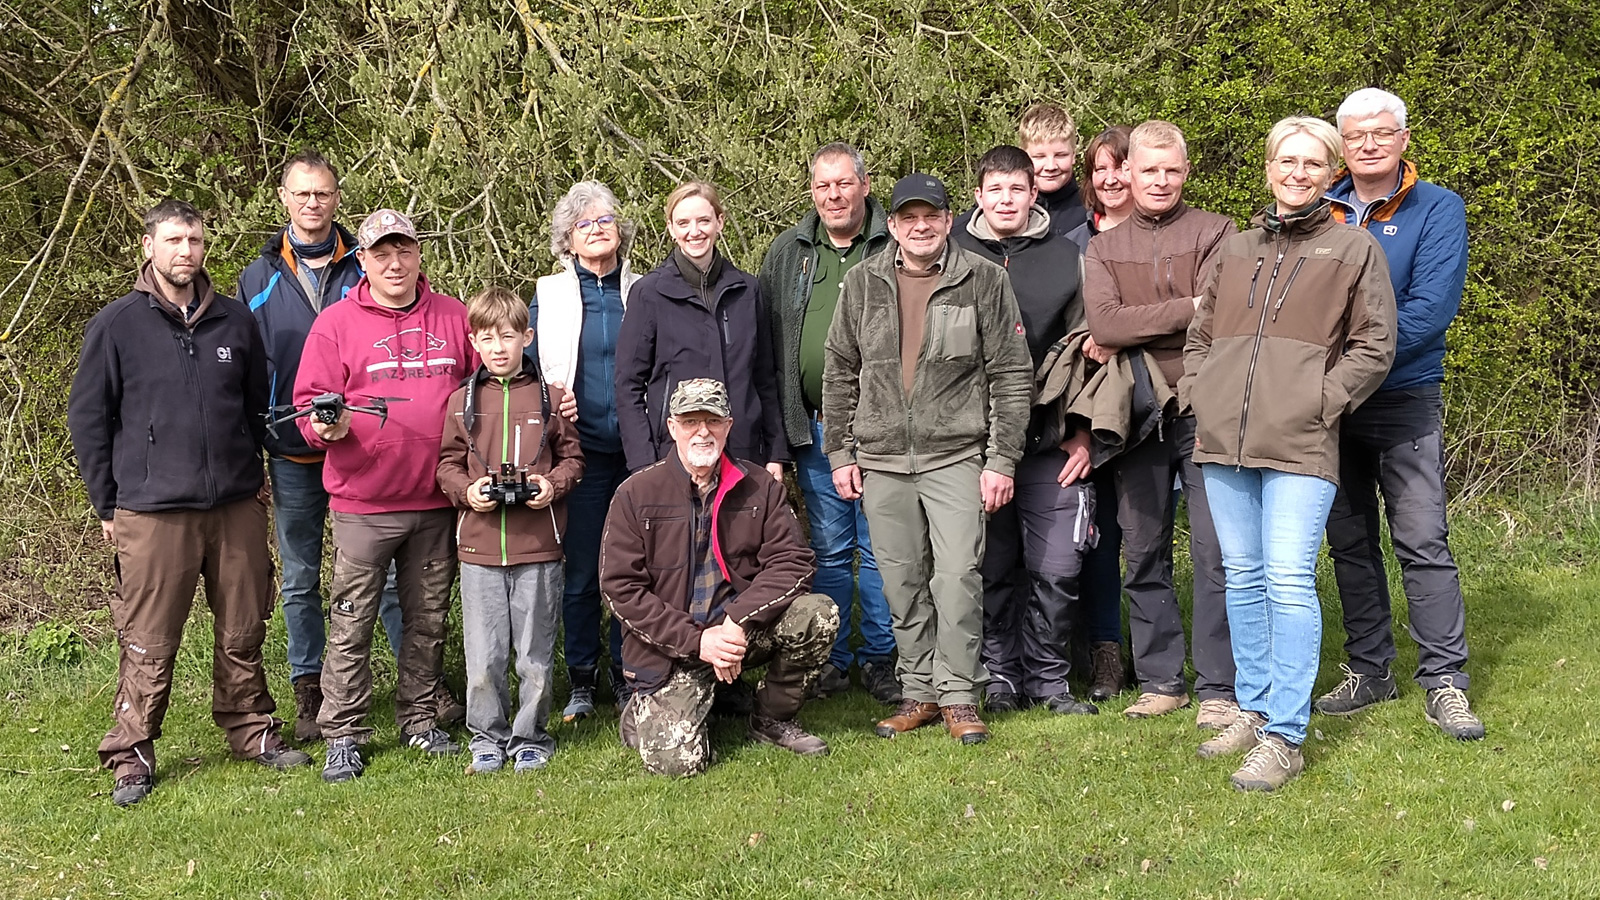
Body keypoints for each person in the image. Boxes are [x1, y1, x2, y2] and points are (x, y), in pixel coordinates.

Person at [67, 199, 311, 807]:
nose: (186, 251)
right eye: (174, 240)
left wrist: (253, 471)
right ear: (148, 246)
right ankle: (132, 750)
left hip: (234, 504)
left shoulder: (233, 320)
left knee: (244, 622)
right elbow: (89, 419)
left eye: (195, 240)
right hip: (151, 510)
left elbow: (256, 404)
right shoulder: (118, 324)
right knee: (148, 634)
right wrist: (107, 505)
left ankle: (251, 729)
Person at [1183, 116, 1396, 790]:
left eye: (1312, 163)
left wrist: (1321, 400)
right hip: (1224, 439)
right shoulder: (1236, 248)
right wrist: (1200, 390)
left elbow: (1375, 345)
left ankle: (1285, 736)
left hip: (1302, 440)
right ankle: (1253, 706)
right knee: (1241, 575)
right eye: (1287, 160)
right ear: (1270, 166)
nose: (1298, 173)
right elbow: (1200, 333)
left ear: (1331, 172)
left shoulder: (1352, 250)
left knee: (1287, 577)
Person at [824, 173, 1034, 745]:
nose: (921, 226)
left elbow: (1012, 374)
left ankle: (961, 694)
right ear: (891, 224)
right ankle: (918, 690)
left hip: (957, 455)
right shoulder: (861, 283)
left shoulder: (984, 280)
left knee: (958, 576)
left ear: (949, 220)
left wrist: (1002, 460)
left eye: (932, 216)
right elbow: (840, 368)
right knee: (900, 580)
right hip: (883, 458)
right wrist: (841, 451)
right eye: (908, 217)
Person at [1316, 88, 1484, 740]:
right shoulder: (1315, 211)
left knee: (1421, 541)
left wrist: (1343, 366)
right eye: (1355, 134)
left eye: (1381, 133)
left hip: (1403, 397)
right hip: (1328, 407)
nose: (1368, 144)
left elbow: (1427, 310)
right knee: (1350, 543)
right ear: (1341, 143)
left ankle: (1445, 682)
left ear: (1404, 139)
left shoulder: (1438, 209)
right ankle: (1370, 670)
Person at [293, 208, 477, 782]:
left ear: (419, 254)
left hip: (436, 499)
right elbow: (308, 405)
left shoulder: (453, 315)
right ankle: (343, 731)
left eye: (404, 251)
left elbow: (488, 387)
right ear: (364, 261)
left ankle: (419, 717)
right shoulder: (336, 323)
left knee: (428, 619)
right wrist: (325, 427)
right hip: (364, 503)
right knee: (352, 620)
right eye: (381, 254)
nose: (394, 264)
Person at [238, 149, 408, 742]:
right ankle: (311, 688)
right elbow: (247, 372)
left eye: (324, 194)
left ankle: (417, 685)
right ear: (283, 198)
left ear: (338, 198)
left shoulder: (365, 264)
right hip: (291, 450)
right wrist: (250, 448)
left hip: (364, 446)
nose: (313, 203)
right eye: (302, 193)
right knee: (302, 575)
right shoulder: (257, 278)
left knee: (381, 571)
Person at [1082, 120, 1241, 727]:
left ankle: (1219, 686)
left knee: (1213, 550)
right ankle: (1160, 679)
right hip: (1137, 411)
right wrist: (1186, 308)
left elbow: (1220, 315)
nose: (1160, 181)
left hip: (1205, 406)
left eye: (1172, 170)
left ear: (1186, 172)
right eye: (1149, 170)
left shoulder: (1216, 231)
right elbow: (1107, 327)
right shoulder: (1103, 248)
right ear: (1127, 173)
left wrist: (1151, 316)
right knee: (1143, 549)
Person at [601, 379, 839, 776]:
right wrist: (700, 641)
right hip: (673, 648)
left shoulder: (760, 486)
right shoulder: (635, 494)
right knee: (677, 765)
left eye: (712, 421)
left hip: (738, 632)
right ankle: (648, 710)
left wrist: (738, 620)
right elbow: (620, 590)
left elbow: (794, 561)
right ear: (672, 427)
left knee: (818, 613)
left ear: (729, 425)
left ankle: (771, 717)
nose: (702, 431)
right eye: (691, 421)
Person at [952, 146, 1098, 716]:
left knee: (1057, 567)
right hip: (973, 445)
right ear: (979, 196)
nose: (1006, 200)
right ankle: (1001, 675)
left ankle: (1050, 680)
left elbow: (1092, 355)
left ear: (1034, 193)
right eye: (995, 190)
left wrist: (1085, 432)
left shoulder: (1066, 257)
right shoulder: (952, 252)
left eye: (1017, 189)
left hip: (1050, 442)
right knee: (991, 565)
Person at [758, 142, 902, 705]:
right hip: (816, 429)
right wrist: (778, 435)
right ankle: (833, 660)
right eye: (823, 186)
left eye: (844, 184)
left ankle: (883, 658)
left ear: (865, 186)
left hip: (888, 426)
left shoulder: (894, 243)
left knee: (884, 546)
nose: (833, 195)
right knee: (831, 548)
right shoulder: (789, 252)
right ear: (812, 191)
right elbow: (768, 350)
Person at [438, 286, 585, 774]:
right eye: (486, 338)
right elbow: (446, 466)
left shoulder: (551, 398)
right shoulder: (461, 401)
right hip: (479, 546)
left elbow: (573, 461)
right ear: (473, 342)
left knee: (534, 652)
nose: (498, 347)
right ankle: (487, 734)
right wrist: (468, 490)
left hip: (538, 545)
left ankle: (530, 735)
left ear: (528, 335)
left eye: (508, 336)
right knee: (483, 655)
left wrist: (551, 485)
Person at [532, 181, 642, 721]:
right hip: (579, 454)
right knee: (579, 574)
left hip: (640, 452)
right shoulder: (549, 293)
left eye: (605, 219)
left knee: (635, 569)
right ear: (568, 240)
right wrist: (552, 400)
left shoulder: (645, 290)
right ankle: (580, 679)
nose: (597, 228)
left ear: (621, 230)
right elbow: (523, 368)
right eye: (584, 224)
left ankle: (631, 673)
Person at [614, 182, 786, 479]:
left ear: (720, 222)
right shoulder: (649, 293)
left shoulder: (747, 290)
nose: (694, 231)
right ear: (670, 228)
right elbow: (628, 386)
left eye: (703, 220)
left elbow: (764, 378)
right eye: (683, 223)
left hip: (743, 451)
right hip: (674, 454)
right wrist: (643, 464)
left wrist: (775, 453)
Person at [1061, 123, 1138, 702]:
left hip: (1149, 409)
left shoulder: (1164, 238)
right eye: (1100, 169)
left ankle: (1146, 653)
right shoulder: (1072, 241)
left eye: (1122, 166)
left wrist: (1116, 333)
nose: (1111, 179)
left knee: (1141, 537)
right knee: (1094, 538)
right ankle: (1101, 654)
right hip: (1086, 411)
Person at [1018, 103, 1089, 239]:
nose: (1051, 166)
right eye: (1039, 156)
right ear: (1024, 157)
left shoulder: (1092, 209)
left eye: (1060, 155)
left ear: (1074, 155)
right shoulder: (1006, 210)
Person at [1065, 126, 1135, 252]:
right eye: (1101, 169)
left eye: (1119, 168)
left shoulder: (1162, 236)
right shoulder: (1072, 245)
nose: (1110, 180)